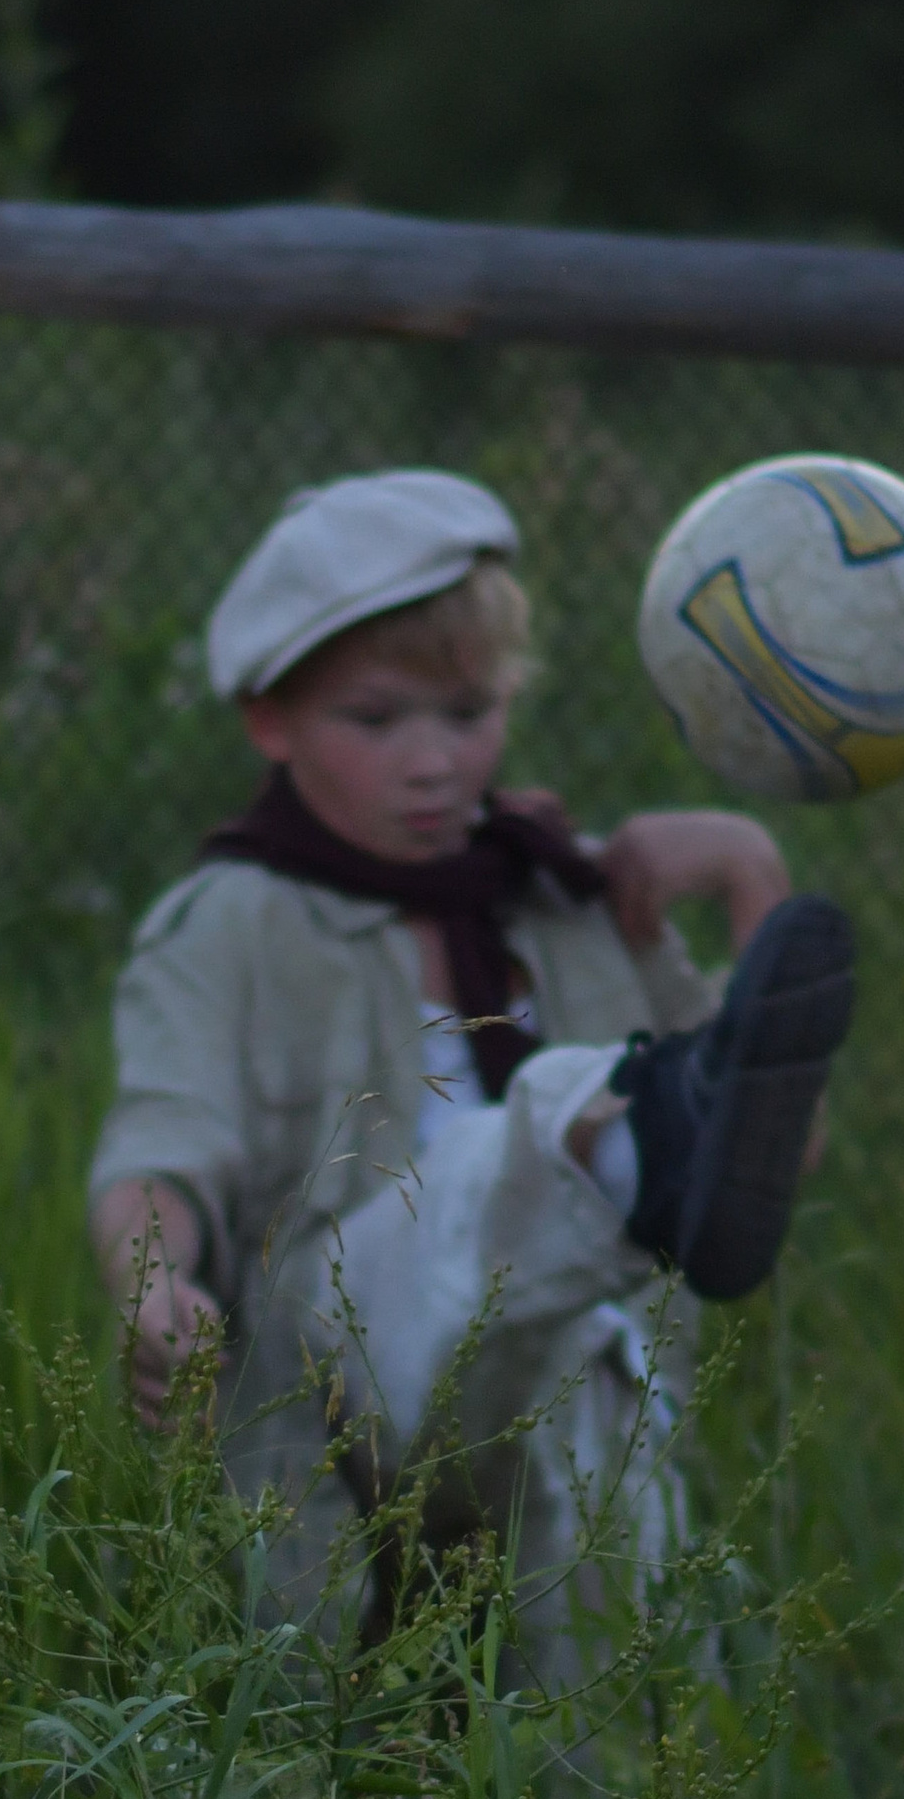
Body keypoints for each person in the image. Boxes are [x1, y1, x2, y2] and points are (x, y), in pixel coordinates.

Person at [86, 469, 853, 1690]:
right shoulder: (230, 920)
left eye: (468, 710)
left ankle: (598, 1798)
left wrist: (753, 878)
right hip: (336, 1397)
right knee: (524, 1135)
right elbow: (159, 1144)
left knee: (615, 1721)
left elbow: (777, 1159)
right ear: (270, 721)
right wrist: (153, 1283)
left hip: (563, 1392)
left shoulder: (569, 896)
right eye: (377, 721)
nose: (435, 763)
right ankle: (603, 1143)